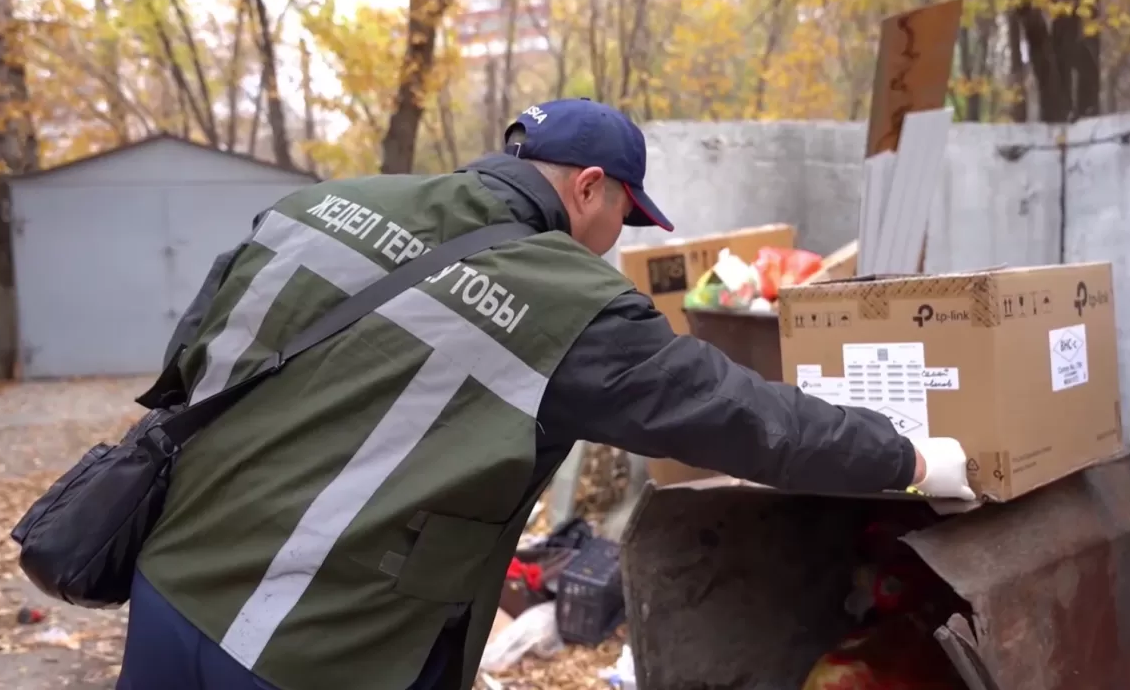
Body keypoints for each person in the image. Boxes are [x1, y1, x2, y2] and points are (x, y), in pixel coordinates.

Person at [117, 98, 973, 690]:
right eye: (623, 218)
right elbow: (745, 420)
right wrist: (910, 457)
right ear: (589, 186)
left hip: (172, 581)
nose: (614, 242)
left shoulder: (323, 204)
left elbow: (194, 359)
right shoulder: (566, 301)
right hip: (315, 648)